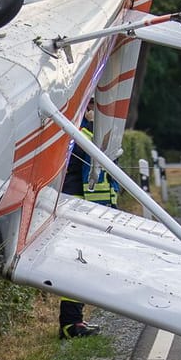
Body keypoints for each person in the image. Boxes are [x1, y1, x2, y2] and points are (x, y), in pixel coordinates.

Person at [58, 123, 113, 339]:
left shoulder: (75, 133)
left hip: (73, 208)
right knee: (77, 267)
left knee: (77, 266)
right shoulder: (85, 137)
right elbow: (95, 183)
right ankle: (71, 324)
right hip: (80, 211)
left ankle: (73, 321)